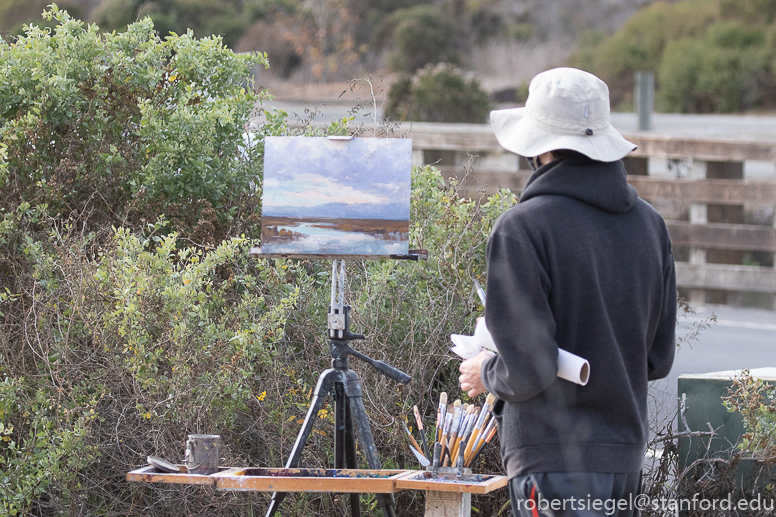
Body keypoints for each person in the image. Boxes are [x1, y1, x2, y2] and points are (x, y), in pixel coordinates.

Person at [458, 67, 676, 516]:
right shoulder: (650, 226)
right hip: (624, 457)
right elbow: (657, 359)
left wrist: (486, 370)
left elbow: (530, 368)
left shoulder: (522, 229)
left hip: (551, 458)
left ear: (541, 147)